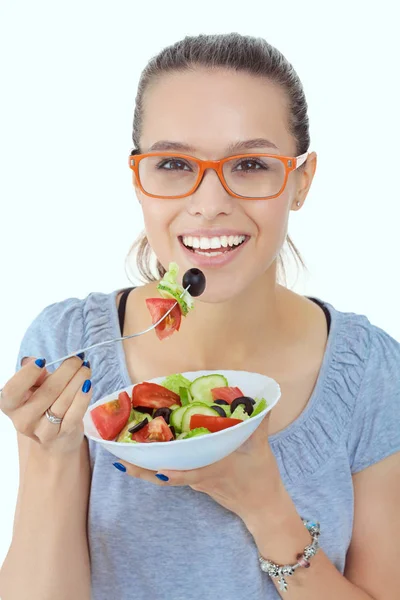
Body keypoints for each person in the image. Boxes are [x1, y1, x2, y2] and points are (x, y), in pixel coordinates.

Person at [0, 33, 399, 600]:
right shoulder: (66, 345)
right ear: (138, 179)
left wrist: (265, 506)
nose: (209, 203)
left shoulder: (370, 369)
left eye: (251, 164)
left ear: (301, 182)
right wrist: (53, 457)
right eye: (172, 163)